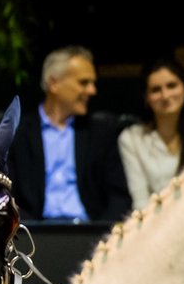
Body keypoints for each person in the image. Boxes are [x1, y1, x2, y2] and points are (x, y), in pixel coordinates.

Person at [7, 45, 131, 223]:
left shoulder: (101, 133)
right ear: (54, 83)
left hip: (89, 235)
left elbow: (120, 197)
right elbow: (6, 196)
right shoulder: (19, 134)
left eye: (92, 83)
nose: (92, 90)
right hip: (36, 236)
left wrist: (102, 236)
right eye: (83, 83)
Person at [118, 57, 184, 208]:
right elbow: (140, 201)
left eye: (172, 86)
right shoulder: (132, 138)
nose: (165, 96)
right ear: (146, 98)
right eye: (156, 90)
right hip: (157, 223)